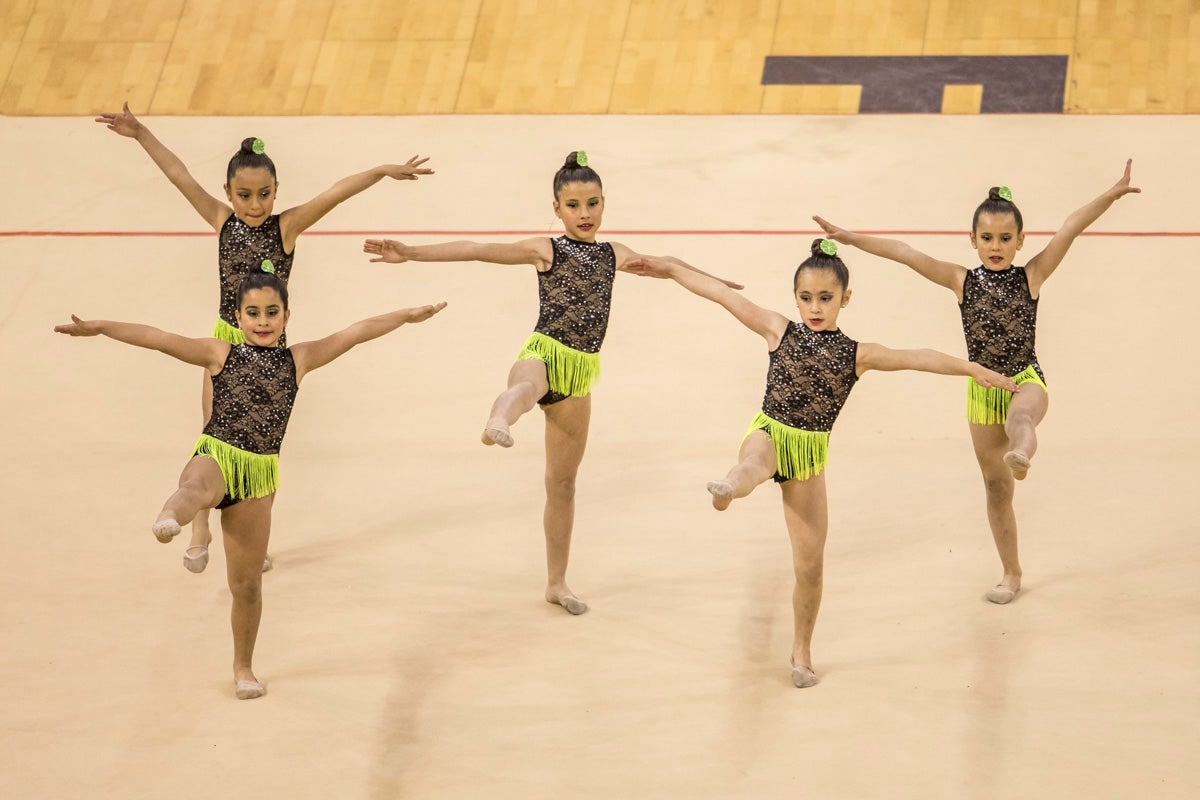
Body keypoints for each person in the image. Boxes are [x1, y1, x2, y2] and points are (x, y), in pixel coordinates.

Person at [622, 240, 1018, 688]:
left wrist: (971, 370)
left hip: (809, 456)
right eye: (806, 298)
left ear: (845, 299)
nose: (815, 307)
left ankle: (801, 650)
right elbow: (722, 295)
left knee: (810, 566)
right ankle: (730, 487)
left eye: (826, 298)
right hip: (770, 430)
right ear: (795, 297)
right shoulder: (777, 329)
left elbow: (918, 357)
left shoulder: (858, 354)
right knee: (753, 460)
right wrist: (670, 269)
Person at [363, 151, 741, 616]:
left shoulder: (613, 254)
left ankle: (556, 584)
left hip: (579, 376)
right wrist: (413, 252)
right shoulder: (547, 250)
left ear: (604, 203)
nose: (585, 214)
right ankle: (497, 420)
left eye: (593, 203)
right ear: (557, 209)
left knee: (562, 485)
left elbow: (666, 263)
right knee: (524, 390)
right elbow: (478, 249)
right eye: (574, 205)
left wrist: (717, 281)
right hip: (544, 353)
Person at [54, 267, 446, 699]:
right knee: (195, 490)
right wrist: (101, 328)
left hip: (258, 477)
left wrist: (406, 315)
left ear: (287, 316)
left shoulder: (299, 359)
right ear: (237, 317)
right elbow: (159, 337)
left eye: (272, 313)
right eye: (253, 313)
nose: (263, 321)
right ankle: (171, 518)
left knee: (247, 587)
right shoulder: (219, 353)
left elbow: (355, 333)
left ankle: (243, 668)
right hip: (218, 454)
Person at [95, 102, 433, 573]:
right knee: (215, 429)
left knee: (260, 440)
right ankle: (199, 529)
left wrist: (379, 170)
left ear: (276, 192)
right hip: (224, 343)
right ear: (228, 193)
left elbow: (335, 194)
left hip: (272, 345)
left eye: (264, 195)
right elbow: (179, 175)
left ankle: (252, 532)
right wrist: (140, 132)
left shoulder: (286, 227)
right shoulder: (222, 220)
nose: (254, 206)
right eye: (244, 195)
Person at [814, 160, 1139, 605]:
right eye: (987, 238)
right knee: (996, 488)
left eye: (1006, 238)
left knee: (1023, 416)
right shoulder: (961, 281)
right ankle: (1011, 572)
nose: (996, 246)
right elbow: (907, 253)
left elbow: (1069, 229)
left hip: (1025, 377)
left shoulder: (1032, 276)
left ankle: (1022, 451)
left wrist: (1112, 194)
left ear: (1021, 241)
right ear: (973, 240)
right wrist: (852, 239)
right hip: (983, 388)